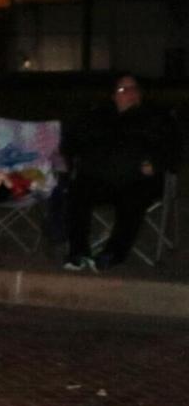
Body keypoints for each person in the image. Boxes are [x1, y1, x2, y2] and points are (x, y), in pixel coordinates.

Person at [61, 73, 182, 271]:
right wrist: (73, 158)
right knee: (77, 192)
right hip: (101, 179)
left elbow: (173, 149)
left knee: (134, 198)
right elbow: (71, 142)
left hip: (138, 181)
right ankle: (78, 251)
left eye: (134, 89)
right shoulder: (98, 116)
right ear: (113, 96)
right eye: (123, 90)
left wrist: (157, 164)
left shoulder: (157, 118)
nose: (130, 93)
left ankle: (113, 253)